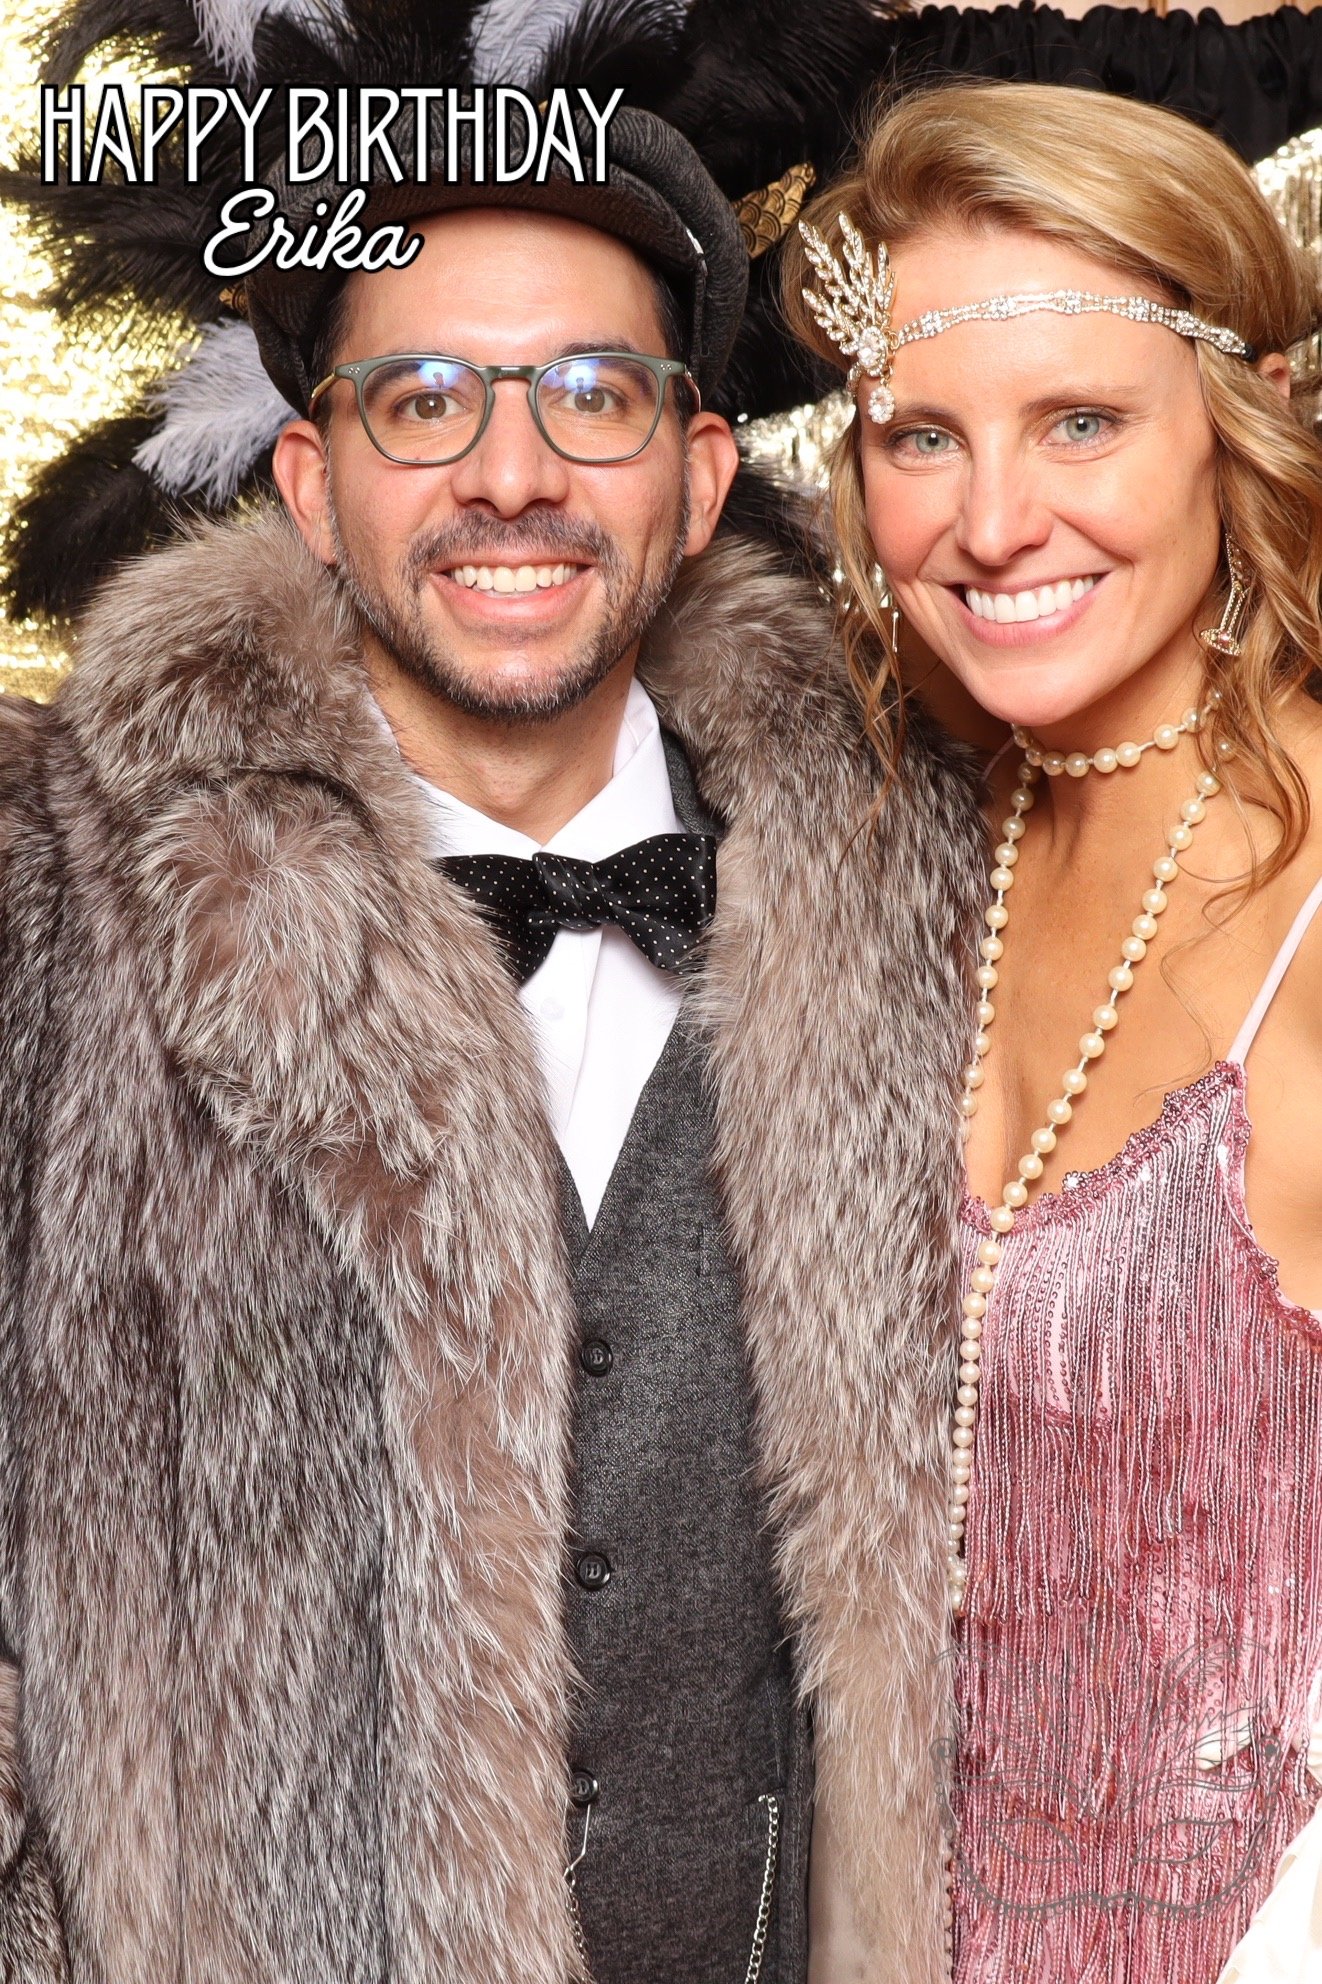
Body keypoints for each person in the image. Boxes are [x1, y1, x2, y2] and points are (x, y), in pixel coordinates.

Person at [0, 105, 988, 1984]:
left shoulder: (932, 879)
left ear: (698, 476)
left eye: (591, 394)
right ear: (310, 479)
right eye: (424, 398)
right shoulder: (51, 885)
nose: (510, 474)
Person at [786, 77, 1322, 1982]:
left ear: (1233, 425)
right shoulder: (882, 850)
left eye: (1077, 421)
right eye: (918, 436)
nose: (990, 522)